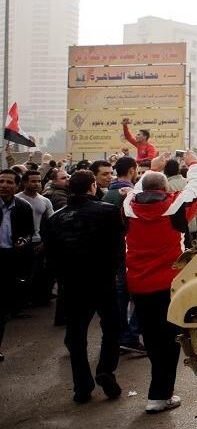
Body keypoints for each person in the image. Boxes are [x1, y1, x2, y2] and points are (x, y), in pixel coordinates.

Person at [123, 159, 197, 413]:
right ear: (167, 189)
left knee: (151, 340)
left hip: (137, 284)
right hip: (169, 286)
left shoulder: (128, 206)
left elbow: (138, 187)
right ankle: (159, 396)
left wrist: (153, 169)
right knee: (170, 342)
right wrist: (192, 162)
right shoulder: (175, 206)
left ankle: (157, 393)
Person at [40, 170, 125, 403]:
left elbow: (50, 257)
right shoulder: (107, 211)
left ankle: (82, 385)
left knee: (76, 336)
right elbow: (118, 247)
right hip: (102, 282)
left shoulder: (54, 218)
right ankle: (105, 369)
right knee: (112, 329)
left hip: (71, 285)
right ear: (92, 187)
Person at [100, 156, 144, 354]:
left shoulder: (107, 195)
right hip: (131, 252)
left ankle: (119, 335)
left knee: (120, 297)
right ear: (133, 170)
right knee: (141, 295)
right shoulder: (131, 194)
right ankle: (130, 337)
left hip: (112, 252)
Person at [0, 168, 34, 362]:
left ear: (17, 185)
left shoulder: (23, 207)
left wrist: (24, 240)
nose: (4, 185)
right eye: (1, 181)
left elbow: (29, 231)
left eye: (9, 182)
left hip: (10, 260)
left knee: (3, 309)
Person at [16, 170, 53, 307]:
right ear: (25, 182)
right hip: (21, 242)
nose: (37, 184)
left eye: (38, 181)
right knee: (23, 274)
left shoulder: (45, 201)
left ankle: (38, 299)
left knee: (39, 273)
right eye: (33, 181)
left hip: (38, 242)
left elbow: (51, 223)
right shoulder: (17, 199)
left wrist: (45, 242)